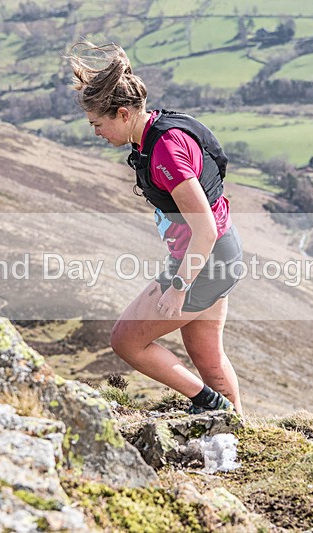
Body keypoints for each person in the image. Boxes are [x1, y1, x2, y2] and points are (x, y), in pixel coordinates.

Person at [68, 42, 244, 416]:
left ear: (123, 112)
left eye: (98, 124)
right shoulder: (156, 131)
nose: (96, 132)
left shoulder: (165, 151)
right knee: (208, 357)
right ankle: (236, 429)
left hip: (204, 260)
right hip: (220, 254)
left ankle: (209, 406)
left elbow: (205, 229)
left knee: (126, 341)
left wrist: (179, 287)